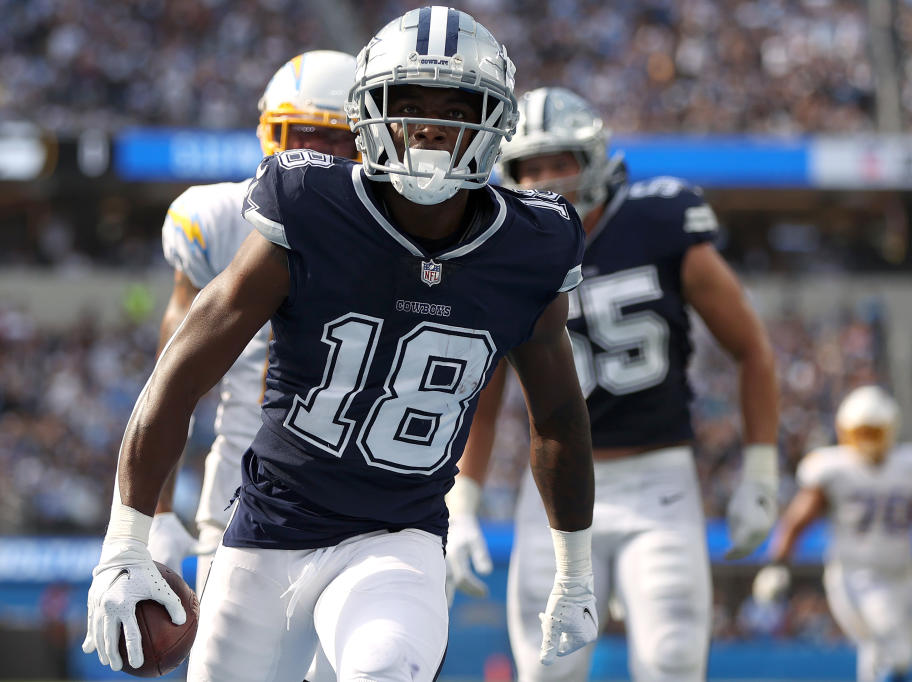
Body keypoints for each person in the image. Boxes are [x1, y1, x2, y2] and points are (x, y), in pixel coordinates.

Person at [81, 8, 598, 682]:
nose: (432, 126)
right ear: (370, 113)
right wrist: (126, 539)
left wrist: (576, 571)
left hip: (398, 539)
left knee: (382, 669)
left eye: (457, 105)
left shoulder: (533, 243)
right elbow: (178, 373)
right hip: (267, 535)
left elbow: (557, 415)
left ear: (496, 118)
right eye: (408, 103)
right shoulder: (308, 205)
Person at [445, 87, 780, 682]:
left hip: (659, 480)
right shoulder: (505, 248)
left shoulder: (658, 220)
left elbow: (752, 348)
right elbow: (485, 389)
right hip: (555, 484)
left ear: (594, 159)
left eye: (561, 161)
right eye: (531, 166)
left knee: (673, 659)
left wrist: (759, 469)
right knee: (548, 667)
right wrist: (463, 500)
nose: (547, 179)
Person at [146, 48, 358, 682]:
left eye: (335, 140)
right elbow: (173, 378)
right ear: (270, 135)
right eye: (301, 137)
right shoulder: (214, 221)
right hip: (241, 503)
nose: (315, 157)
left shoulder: (411, 234)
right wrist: (155, 515)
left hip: (367, 513)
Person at [753, 385, 912, 682]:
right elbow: (797, 521)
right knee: (886, 640)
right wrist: (777, 563)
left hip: (903, 576)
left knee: (900, 657)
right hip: (855, 575)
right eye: (861, 432)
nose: (867, 441)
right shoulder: (834, 468)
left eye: (874, 432)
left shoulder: (910, 465)